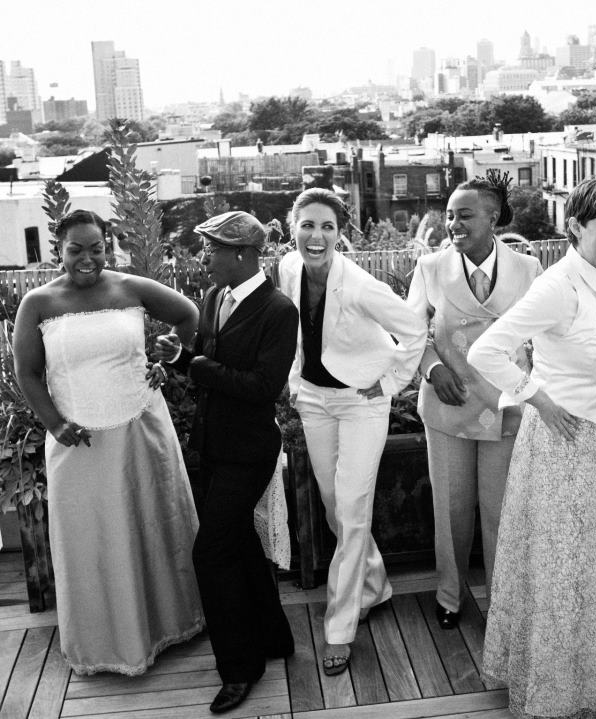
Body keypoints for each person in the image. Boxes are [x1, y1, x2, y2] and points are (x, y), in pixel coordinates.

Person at [469, 178, 596, 719]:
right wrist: (535, 400)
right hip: (565, 450)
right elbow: (486, 350)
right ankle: (557, 689)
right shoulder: (557, 286)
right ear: (574, 228)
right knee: (565, 572)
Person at [12, 209, 204, 675]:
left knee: (154, 527)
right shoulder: (37, 302)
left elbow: (188, 314)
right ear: (59, 249)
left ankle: (172, 627)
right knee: (92, 542)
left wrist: (170, 353)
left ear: (108, 245)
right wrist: (54, 423)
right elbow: (27, 372)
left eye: (96, 248)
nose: (87, 258)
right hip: (80, 445)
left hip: (142, 431)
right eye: (76, 249)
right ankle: (108, 646)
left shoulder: (130, 288)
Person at [277, 189, 426, 677]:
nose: (316, 236)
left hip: (361, 403)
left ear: (340, 235)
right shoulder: (288, 268)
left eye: (327, 227)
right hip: (316, 402)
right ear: (291, 228)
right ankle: (375, 585)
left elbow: (414, 328)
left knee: (353, 509)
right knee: (333, 504)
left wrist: (386, 384)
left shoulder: (360, 285)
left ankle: (339, 628)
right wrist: (296, 384)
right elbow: (296, 335)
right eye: (307, 225)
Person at [157, 210, 298, 714]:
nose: (204, 257)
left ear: (241, 254)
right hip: (213, 445)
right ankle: (274, 638)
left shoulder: (279, 310)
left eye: (211, 248)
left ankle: (239, 669)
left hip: (249, 451)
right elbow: (213, 360)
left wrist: (197, 365)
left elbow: (263, 388)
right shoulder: (217, 296)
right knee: (237, 541)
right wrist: (182, 356)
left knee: (210, 554)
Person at [406, 172, 542, 630]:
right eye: (449, 216)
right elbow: (408, 335)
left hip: (508, 407)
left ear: (494, 217)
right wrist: (432, 368)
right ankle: (450, 596)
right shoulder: (430, 269)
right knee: (451, 509)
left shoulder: (529, 268)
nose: (453, 224)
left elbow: (546, 339)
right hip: (449, 405)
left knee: (502, 510)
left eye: (464, 215)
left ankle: (504, 604)